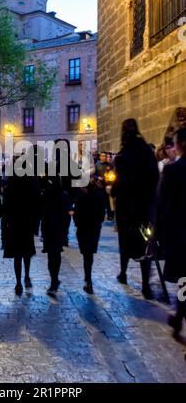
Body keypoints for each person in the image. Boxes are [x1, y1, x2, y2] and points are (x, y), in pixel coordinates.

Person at [111, 118, 159, 299]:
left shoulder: (122, 156)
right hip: (144, 209)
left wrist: (113, 190)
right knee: (145, 242)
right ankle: (146, 285)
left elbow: (118, 182)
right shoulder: (147, 151)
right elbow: (154, 177)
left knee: (124, 240)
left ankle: (123, 273)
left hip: (126, 209)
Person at [155, 127, 186, 336]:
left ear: (180, 145)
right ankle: (179, 315)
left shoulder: (173, 171)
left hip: (182, 234)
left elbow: (162, 204)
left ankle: (179, 315)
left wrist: (157, 234)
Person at [3, 171, 41, 296]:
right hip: (27, 222)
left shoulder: (11, 183)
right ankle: (26, 276)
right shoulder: (31, 182)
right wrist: (36, 225)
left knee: (17, 254)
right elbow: (36, 204)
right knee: (26, 252)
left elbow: (6, 205)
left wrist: (6, 223)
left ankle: (19, 281)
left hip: (15, 222)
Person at [73, 177, 106, 294]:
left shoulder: (80, 199)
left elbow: (76, 216)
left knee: (86, 254)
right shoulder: (99, 198)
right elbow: (102, 215)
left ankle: (88, 278)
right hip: (95, 228)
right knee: (89, 254)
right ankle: (88, 278)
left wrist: (78, 223)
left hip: (83, 229)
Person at [41, 174, 71, 295]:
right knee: (54, 254)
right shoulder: (61, 195)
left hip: (51, 228)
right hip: (55, 228)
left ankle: (54, 280)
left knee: (52, 255)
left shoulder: (48, 195)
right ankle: (54, 279)